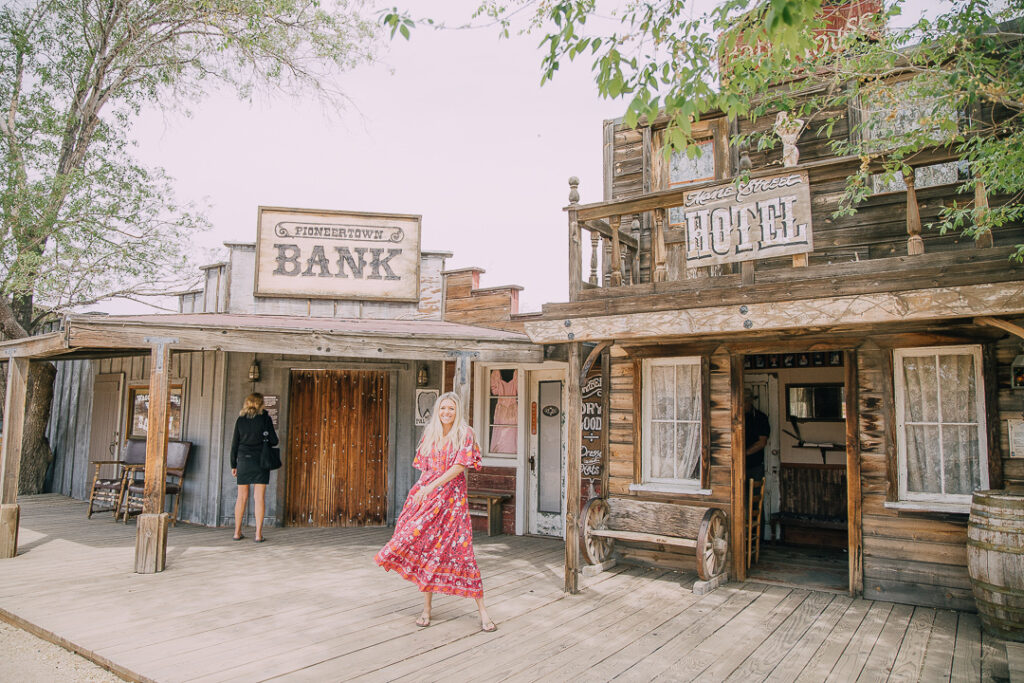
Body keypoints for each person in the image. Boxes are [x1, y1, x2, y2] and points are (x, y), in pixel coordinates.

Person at [374, 392, 496, 632]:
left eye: (451, 409)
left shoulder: (465, 433)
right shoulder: (431, 434)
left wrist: (431, 486)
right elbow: (425, 469)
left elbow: (459, 467)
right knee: (425, 547)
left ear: (457, 411)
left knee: (463, 551)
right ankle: (426, 609)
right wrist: (419, 494)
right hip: (428, 498)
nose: (446, 413)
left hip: (452, 501)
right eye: (442, 409)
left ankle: (483, 612)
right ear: (437, 411)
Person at [230, 392, 278, 543]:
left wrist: (233, 464)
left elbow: (234, 444)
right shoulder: (265, 419)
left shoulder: (240, 420)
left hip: (243, 460)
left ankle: (237, 532)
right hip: (260, 461)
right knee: (259, 498)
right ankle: (258, 534)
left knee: (241, 498)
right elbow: (274, 441)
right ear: (260, 403)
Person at [744, 388, 770, 482]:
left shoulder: (760, 418)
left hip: (754, 466)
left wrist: (744, 453)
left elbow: (762, 442)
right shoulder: (734, 417)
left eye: (745, 401)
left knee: (754, 495)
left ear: (750, 401)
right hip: (735, 466)